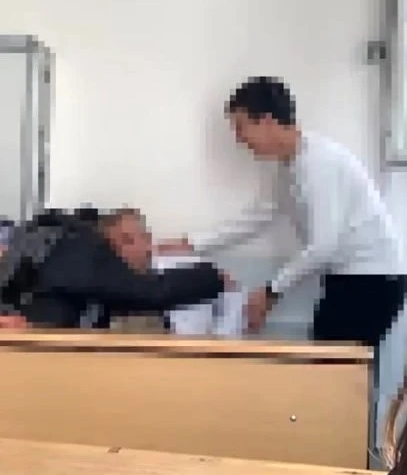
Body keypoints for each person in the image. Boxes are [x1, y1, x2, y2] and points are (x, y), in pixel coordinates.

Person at [158, 76, 405, 347]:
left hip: (373, 279)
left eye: (240, 127)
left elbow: (323, 246)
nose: (239, 139)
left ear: (266, 121)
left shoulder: (318, 163)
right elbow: (258, 216)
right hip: (351, 278)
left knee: (338, 366)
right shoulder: (289, 166)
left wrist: (270, 292)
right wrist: (189, 243)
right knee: (331, 364)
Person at [0, 207, 235, 328]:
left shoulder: (65, 248)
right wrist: (213, 277)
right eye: (144, 242)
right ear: (122, 240)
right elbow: (151, 292)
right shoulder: (84, 252)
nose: (149, 252)